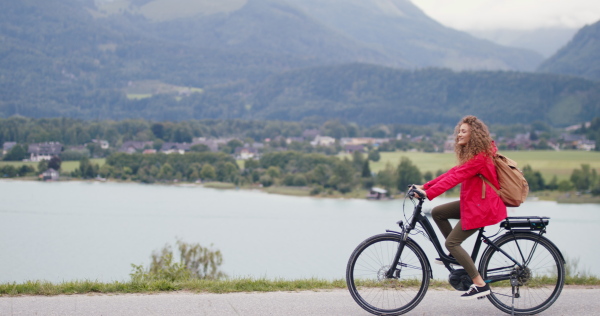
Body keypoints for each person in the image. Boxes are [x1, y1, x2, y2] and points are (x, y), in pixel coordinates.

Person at [413, 115, 507, 300]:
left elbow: (456, 178)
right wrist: (426, 186)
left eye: (464, 131)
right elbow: (453, 173)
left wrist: (429, 194)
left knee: (452, 243)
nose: (459, 135)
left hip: (483, 208)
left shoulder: (480, 158)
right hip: (475, 203)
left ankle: (479, 284)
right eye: (459, 132)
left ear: (475, 134)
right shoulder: (475, 156)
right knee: (438, 213)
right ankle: (457, 257)